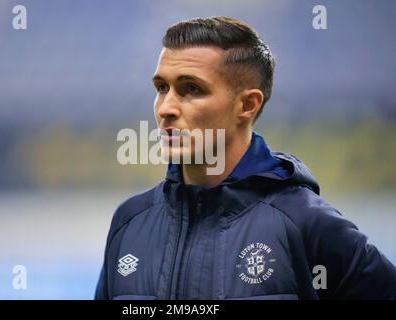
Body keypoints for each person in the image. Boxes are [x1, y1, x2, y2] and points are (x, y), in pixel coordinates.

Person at [95, 16, 396, 300]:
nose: (165, 108)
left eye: (191, 89)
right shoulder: (130, 222)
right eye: (162, 88)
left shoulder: (308, 224)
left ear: (248, 105)